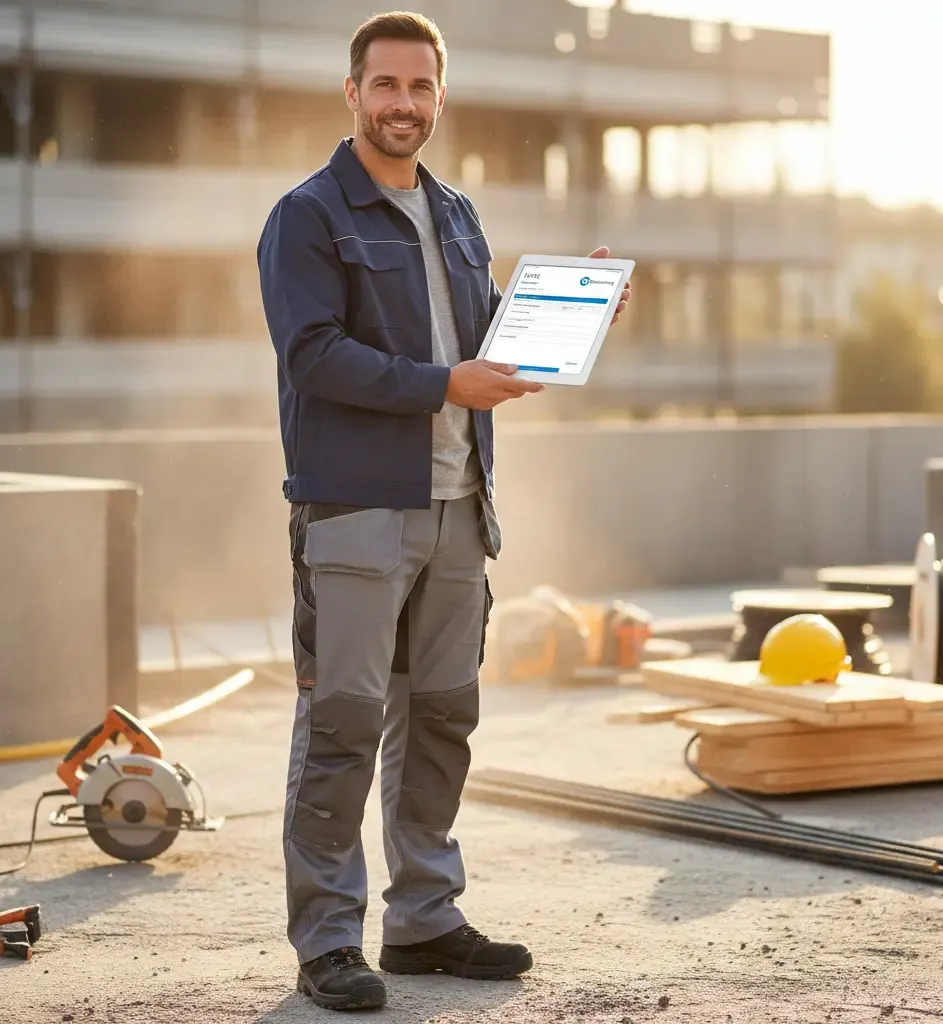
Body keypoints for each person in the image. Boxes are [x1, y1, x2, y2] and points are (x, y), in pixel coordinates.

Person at [257, 10, 631, 1012]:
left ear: (439, 96)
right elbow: (313, 357)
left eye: (421, 89)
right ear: (351, 93)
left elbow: (488, 342)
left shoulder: (456, 212)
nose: (403, 106)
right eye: (386, 86)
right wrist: (441, 386)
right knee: (341, 722)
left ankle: (423, 915)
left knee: (441, 718)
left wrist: (575, 310)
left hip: (461, 505)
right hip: (355, 514)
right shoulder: (308, 215)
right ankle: (329, 937)